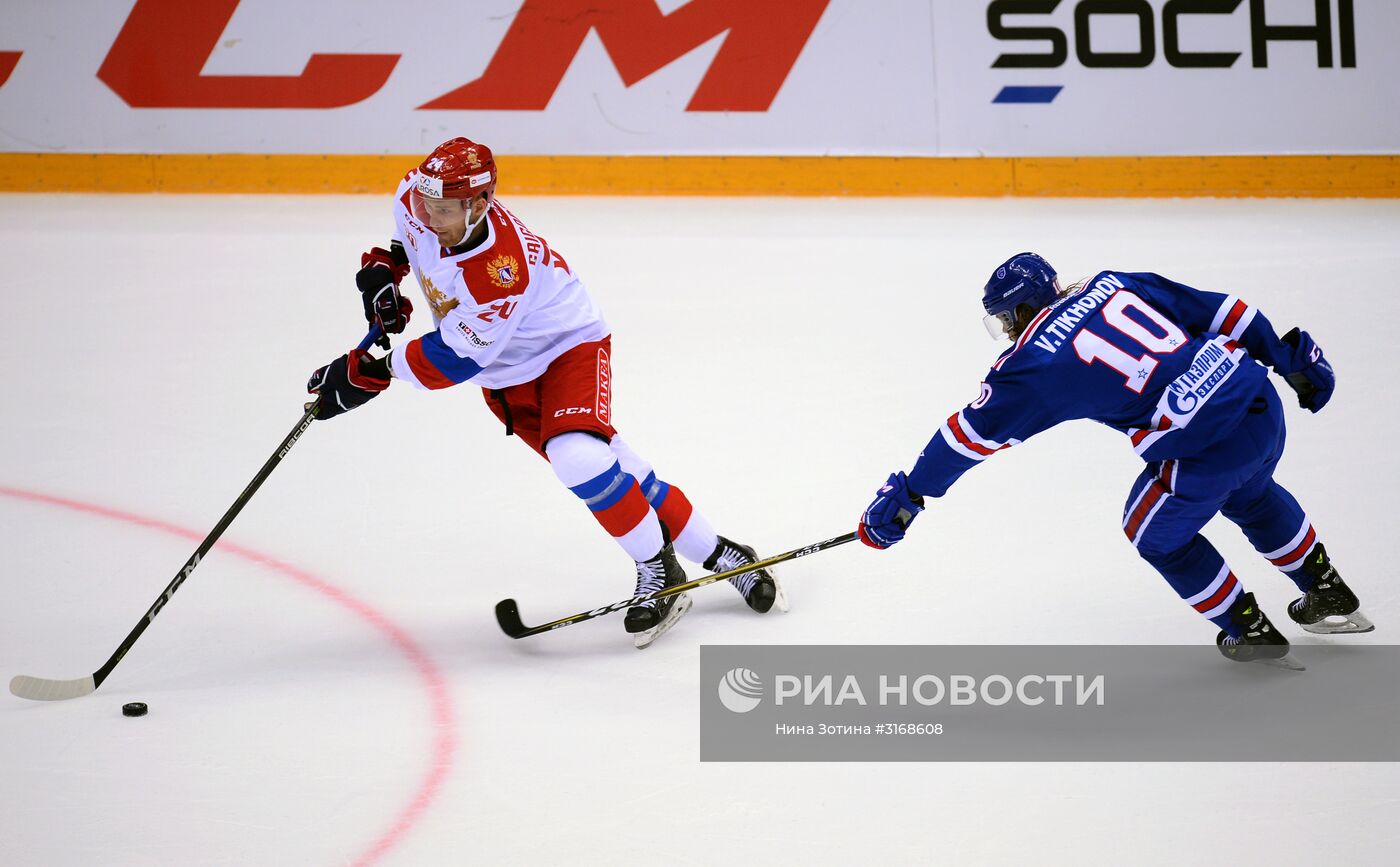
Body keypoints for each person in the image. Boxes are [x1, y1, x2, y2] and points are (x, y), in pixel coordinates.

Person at [305, 136, 782, 646]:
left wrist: (374, 371)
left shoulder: (501, 271)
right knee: (612, 468)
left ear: (479, 204)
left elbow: (457, 357)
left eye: (443, 210)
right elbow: (408, 239)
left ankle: (659, 570)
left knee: (576, 456)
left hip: (566, 346)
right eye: (427, 204)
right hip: (506, 374)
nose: (430, 216)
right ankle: (722, 554)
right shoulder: (418, 197)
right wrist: (385, 270)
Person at [857, 252, 1372, 666]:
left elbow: (965, 436)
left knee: (1153, 533)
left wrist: (911, 493)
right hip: (1259, 404)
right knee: (1252, 494)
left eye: (1004, 320)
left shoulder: (1032, 362)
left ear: (1017, 312)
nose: (1007, 331)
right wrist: (1284, 359)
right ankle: (1326, 589)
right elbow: (1222, 310)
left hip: (1203, 448)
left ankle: (1248, 629)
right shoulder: (1110, 283)